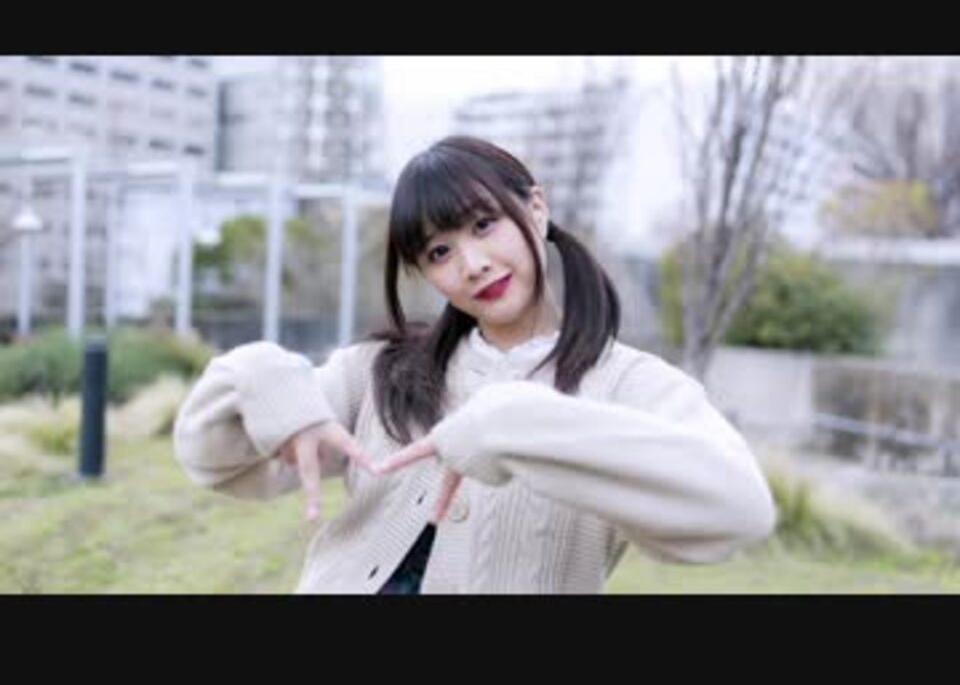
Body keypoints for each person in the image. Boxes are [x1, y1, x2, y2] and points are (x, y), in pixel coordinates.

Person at [173, 135, 776, 594]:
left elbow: (740, 511)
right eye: (440, 251)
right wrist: (266, 381)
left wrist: (515, 427)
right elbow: (209, 456)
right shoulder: (381, 372)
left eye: (484, 225)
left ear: (535, 209)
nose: (472, 264)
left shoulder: (631, 386)